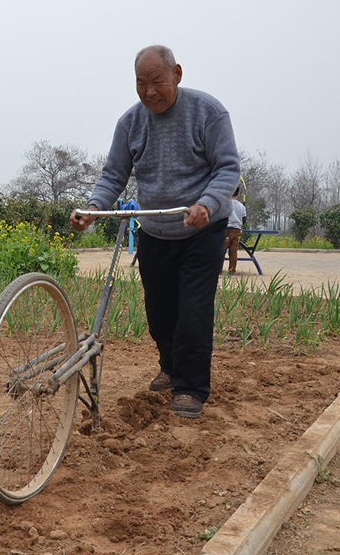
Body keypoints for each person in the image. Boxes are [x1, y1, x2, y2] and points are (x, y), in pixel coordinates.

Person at [70, 45, 240, 418]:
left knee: (194, 313)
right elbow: (113, 174)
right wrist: (94, 209)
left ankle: (190, 387)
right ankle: (170, 365)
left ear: (177, 74)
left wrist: (206, 204)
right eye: (141, 83)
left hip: (201, 229)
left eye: (157, 81)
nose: (149, 91)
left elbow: (228, 169)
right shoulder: (130, 123)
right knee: (159, 313)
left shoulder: (208, 113)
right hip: (156, 232)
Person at [223, 188, 247, 276]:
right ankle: (232, 273)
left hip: (226, 230)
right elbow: (244, 220)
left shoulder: (225, 204)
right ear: (238, 194)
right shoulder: (241, 206)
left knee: (222, 251)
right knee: (233, 252)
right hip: (237, 230)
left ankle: (219, 272)